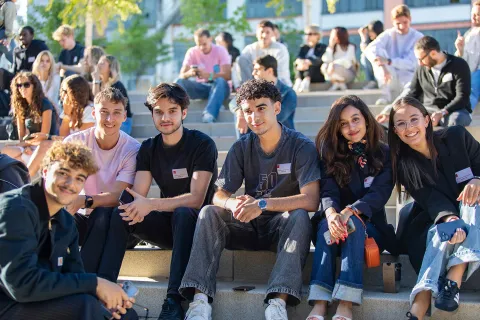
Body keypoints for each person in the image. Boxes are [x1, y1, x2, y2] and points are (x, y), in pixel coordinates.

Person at [179, 79, 320, 320]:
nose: (254, 117)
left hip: (280, 228)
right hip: (246, 224)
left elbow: (311, 200)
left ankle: (277, 302)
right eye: (248, 111)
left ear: (277, 108)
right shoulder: (241, 146)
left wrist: (262, 204)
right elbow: (218, 194)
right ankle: (200, 301)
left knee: (298, 216)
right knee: (208, 212)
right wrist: (232, 203)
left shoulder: (301, 146)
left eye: (261, 108)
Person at [89, 83, 218, 320]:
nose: (165, 117)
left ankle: (173, 301)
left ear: (184, 113)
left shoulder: (201, 144)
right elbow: (139, 196)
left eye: (172, 111)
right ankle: (103, 291)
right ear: (152, 114)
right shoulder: (148, 147)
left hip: (197, 227)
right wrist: (136, 208)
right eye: (159, 111)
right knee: (122, 208)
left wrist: (151, 205)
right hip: (165, 226)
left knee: (182, 212)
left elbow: (197, 199)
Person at [0, 141, 138, 320]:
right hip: (8, 304)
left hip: (38, 301)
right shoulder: (16, 208)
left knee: (124, 315)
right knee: (85, 307)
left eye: (79, 178)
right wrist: (95, 284)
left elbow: (75, 275)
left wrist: (103, 295)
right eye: (63, 173)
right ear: (45, 171)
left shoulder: (65, 221)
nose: (70, 184)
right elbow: (21, 284)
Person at [388, 96, 480, 320]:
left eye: (414, 119)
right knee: (442, 231)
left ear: (427, 120)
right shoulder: (404, 165)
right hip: (434, 218)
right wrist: (449, 218)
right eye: (401, 123)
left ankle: (442, 287)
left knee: (473, 200)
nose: (409, 128)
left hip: (474, 207)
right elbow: (431, 200)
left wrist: (477, 178)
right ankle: (441, 290)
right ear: (396, 131)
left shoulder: (456, 136)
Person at [307, 95, 397, 320]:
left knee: (354, 222)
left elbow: (379, 194)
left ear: (366, 119)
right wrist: (331, 214)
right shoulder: (329, 152)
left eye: (356, 119)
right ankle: (319, 302)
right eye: (344, 123)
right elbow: (328, 191)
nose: (351, 127)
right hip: (333, 228)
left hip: (371, 228)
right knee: (324, 227)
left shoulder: (385, 153)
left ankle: (346, 303)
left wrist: (349, 212)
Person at [62, 87, 140, 268]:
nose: (109, 119)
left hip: (117, 225)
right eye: (104, 112)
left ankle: (86, 280)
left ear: (124, 116)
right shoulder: (74, 143)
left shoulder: (133, 149)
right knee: (55, 220)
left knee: (103, 212)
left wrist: (83, 201)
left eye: (116, 113)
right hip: (82, 218)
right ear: (94, 113)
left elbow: (118, 196)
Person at [376, 36, 472, 128]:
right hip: (429, 110)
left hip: (454, 111)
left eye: (421, 59)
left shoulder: (459, 65)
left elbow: (462, 97)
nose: (419, 63)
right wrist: (392, 111)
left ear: (433, 53)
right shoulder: (421, 69)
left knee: (456, 121)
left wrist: (442, 112)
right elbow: (412, 94)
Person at [26, 74, 96, 177]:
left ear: (75, 92)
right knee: (44, 148)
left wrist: (47, 137)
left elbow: (78, 140)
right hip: (71, 148)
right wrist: (67, 115)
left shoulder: (89, 110)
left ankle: (24, 181)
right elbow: (64, 135)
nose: (62, 95)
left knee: (45, 145)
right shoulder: (69, 108)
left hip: (86, 150)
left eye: (64, 91)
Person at [364, 4, 423, 105]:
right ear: (393, 22)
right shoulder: (389, 34)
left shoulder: (418, 37)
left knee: (411, 87)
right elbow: (370, 48)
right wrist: (382, 64)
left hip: (408, 76)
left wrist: (389, 61)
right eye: (398, 23)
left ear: (410, 19)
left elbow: (411, 63)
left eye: (405, 22)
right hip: (390, 76)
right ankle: (385, 96)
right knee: (378, 53)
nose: (402, 26)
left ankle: (400, 102)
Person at [229, 55, 297, 138]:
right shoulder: (252, 89)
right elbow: (233, 103)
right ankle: (244, 148)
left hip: (283, 139)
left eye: (257, 70)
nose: (253, 73)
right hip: (256, 136)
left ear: (269, 71)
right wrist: (240, 113)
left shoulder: (288, 93)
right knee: (243, 112)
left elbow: (277, 117)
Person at [0, 71, 58, 164]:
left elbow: (43, 136)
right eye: (19, 85)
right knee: (6, 153)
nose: (22, 88)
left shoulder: (45, 104)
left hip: (45, 146)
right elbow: (22, 137)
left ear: (34, 86)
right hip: (29, 146)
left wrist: (22, 145)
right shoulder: (21, 106)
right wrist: (24, 146)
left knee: (7, 154)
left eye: (26, 85)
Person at [175, 28, 231, 123]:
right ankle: (176, 113)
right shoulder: (192, 52)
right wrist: (190, 73)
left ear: (210, 39)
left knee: (220, 81)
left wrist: (208, 76)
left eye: (204, 44)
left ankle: (209, 114)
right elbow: (181, 76)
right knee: (178, 82)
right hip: (202, 87)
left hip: (220, 87)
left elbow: (227, 75)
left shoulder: (221, 50)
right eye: (198, 44)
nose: (201, 47)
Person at [235, 20, 292, 87]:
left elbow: (280, 74)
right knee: (241, 59)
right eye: (262, 32)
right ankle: (248, 88)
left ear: (273, 34)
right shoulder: (249, 49)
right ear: (256, 34)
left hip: (279, 86)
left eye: (268, 32)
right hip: (256, 86)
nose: (264, 35)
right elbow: (240, 65)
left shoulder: (280, 49)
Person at [92, 55, 133, 134]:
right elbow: (96, 101)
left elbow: (101, 101)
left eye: (102, 63)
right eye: (99, 63)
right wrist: (96, 80)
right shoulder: (99, 83)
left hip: (122, 120)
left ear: (110, 67)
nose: (98, 65)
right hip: (107, 117)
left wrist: (96, 80)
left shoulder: (117, 85)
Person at [455, 1, 480, 110]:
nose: (474, 17)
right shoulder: (470, 34)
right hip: (473, 74)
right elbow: (465, 63)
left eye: (478, 14)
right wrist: (460, 50)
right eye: (473, 14)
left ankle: (465, 110)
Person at [293, 24, 327, 93]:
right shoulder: (303, 47)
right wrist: (301, 62)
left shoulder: (322, 47)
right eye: (306, 34)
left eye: (310, 34)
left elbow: (319, 60)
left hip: (317, 75)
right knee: (298, 63)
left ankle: (305, 81)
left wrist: (308, 61)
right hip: (302, 72)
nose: (307, 36)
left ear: (318, 35)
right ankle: (298, 80)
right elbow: (298, 58)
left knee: (310, 62)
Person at [321, 27, 357, 91]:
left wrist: (333, 64)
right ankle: (339, 83)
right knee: (324, 66)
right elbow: (325, 59)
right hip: (333, 71)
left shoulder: (350, 47)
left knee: (334, 66)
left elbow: (347, 62)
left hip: (348, 72)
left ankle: (338, 83)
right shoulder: (333, 48)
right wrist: (330, 47)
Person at [359, 20, 384, 90]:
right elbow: (366, 51)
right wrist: (363, 37)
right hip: (377, 70)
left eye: (370, 31)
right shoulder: (370, 41)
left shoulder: (383, 39)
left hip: (384, 70)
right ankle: (371, 81)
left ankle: (374, 81)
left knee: (365, 57)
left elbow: (366, 51)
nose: (369, 34)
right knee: (364, 57)